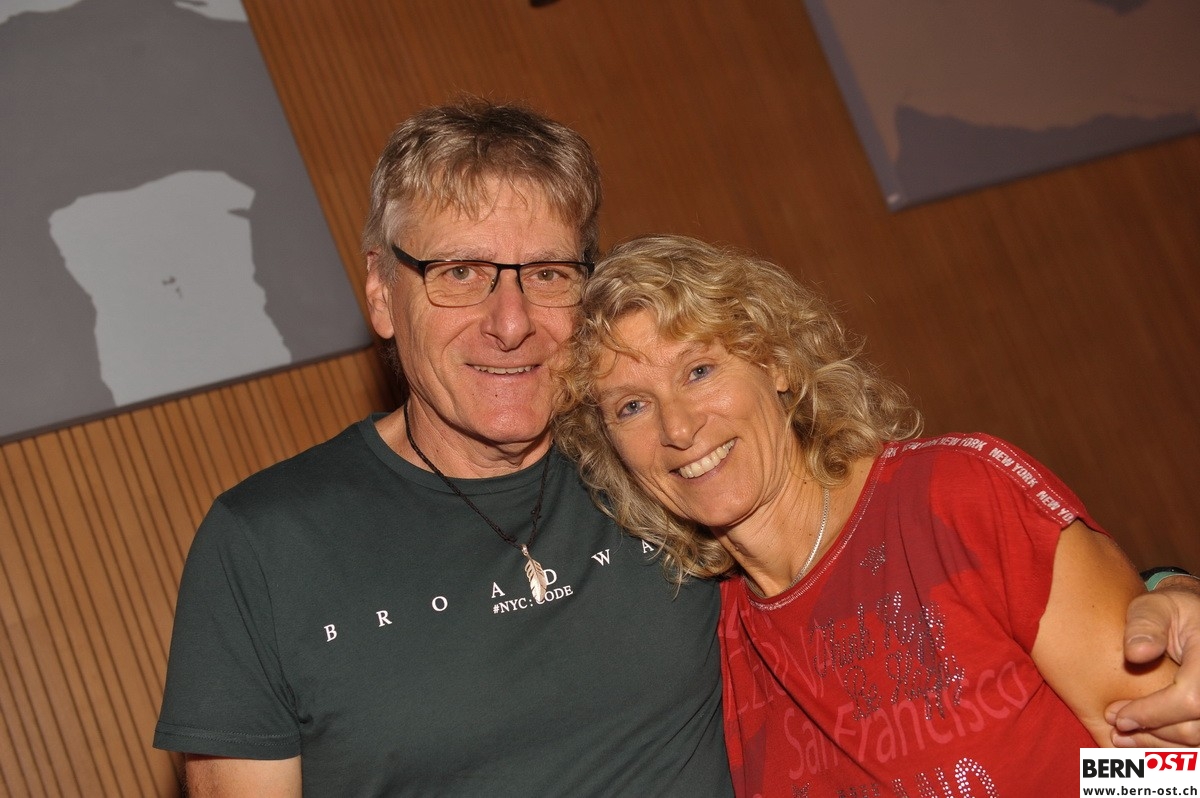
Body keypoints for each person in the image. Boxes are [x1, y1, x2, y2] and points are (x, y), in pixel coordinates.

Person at [154, 100, 1198, 795]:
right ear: (383, 295)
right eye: (460, 273)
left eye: (547, 274)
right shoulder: (265, 545)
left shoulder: (906, 500)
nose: (509, 322)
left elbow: (1146, 751)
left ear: (776, 361)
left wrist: (1165, 596)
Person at [552, 234, 1196, 796]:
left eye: (699, 370)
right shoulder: (707, 636)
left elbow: (1166, 765)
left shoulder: (955, 497)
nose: (678, 427)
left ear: (775, 363)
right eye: (631, 406)